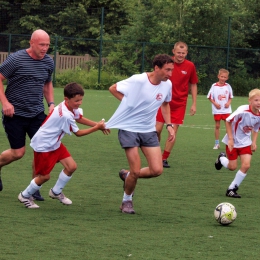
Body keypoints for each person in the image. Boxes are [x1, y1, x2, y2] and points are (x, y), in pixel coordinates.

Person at [18, 82, 109, 208]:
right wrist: (97, 128)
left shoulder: (69, 106)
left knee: (71, 166)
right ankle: (25, 195)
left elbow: (79, 118)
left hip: (54, 143)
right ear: (67, 99)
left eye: (81, 100)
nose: (80, 103)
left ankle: (55, 192)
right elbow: (78, 133)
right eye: (77, 100)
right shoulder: (65, 115)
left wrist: (97, 124)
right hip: (44, 145)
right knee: (44, 176)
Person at [105, 54, 175, 214]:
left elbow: (165, 104)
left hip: (148, 129)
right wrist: (129, 104)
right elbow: (113, 88)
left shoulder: (167, 84)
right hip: (129, 128)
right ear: (156, 68)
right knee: (136, 170)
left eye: (172, 70)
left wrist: (169, 125)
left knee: (157, 170)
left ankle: (128, 176)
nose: (170, 74)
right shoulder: (138, 80)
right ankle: (126, 201)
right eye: (167, 70)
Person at [0, 29, 55, 201]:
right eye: (41, 44)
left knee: (42, 150)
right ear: (31, 43)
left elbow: (47, 84)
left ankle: (34, 187)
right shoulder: (16, 59)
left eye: (47, 45)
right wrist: (5, 103)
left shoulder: (48, 62)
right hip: (15, 114)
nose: (45, 48)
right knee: (18, 153)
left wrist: (51, 104)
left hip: (37, 113)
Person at [156, 41, 198, 168]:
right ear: (173, 51)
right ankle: (156, 154)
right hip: (163, 102)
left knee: (172, 132)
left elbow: (193, 84)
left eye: (183, 53)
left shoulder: (190, 66)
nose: (180, 55)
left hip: (179, 104)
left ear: (186, 53)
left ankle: (163, 159)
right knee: (156, 130)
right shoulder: (167, 63)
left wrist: (194, 103)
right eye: (178, 52)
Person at [215, 88, 260, 198]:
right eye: (256, 100)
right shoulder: (242, 110)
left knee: (246, 165)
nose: (259, 103)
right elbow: (228, 120)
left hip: (245, 142)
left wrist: (254, 142)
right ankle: (221, 158)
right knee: (232, 167)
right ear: (250, 100)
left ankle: (232, 189)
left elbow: (256, 128)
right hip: (233, 142)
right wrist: (230, 139)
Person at [207, 68, 233, 149]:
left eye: (225, 77)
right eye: (221, 76)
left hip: (226, 110)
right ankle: (217, 143)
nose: (223, 78)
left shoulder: (228, 86)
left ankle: (229, 142)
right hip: (217, 110)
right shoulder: (214, 86)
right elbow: (209, 97)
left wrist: (228, 103)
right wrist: (215, 104)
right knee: (217, 126)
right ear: (218, 76)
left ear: (227, 78)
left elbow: (230, 97)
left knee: (228, 126)